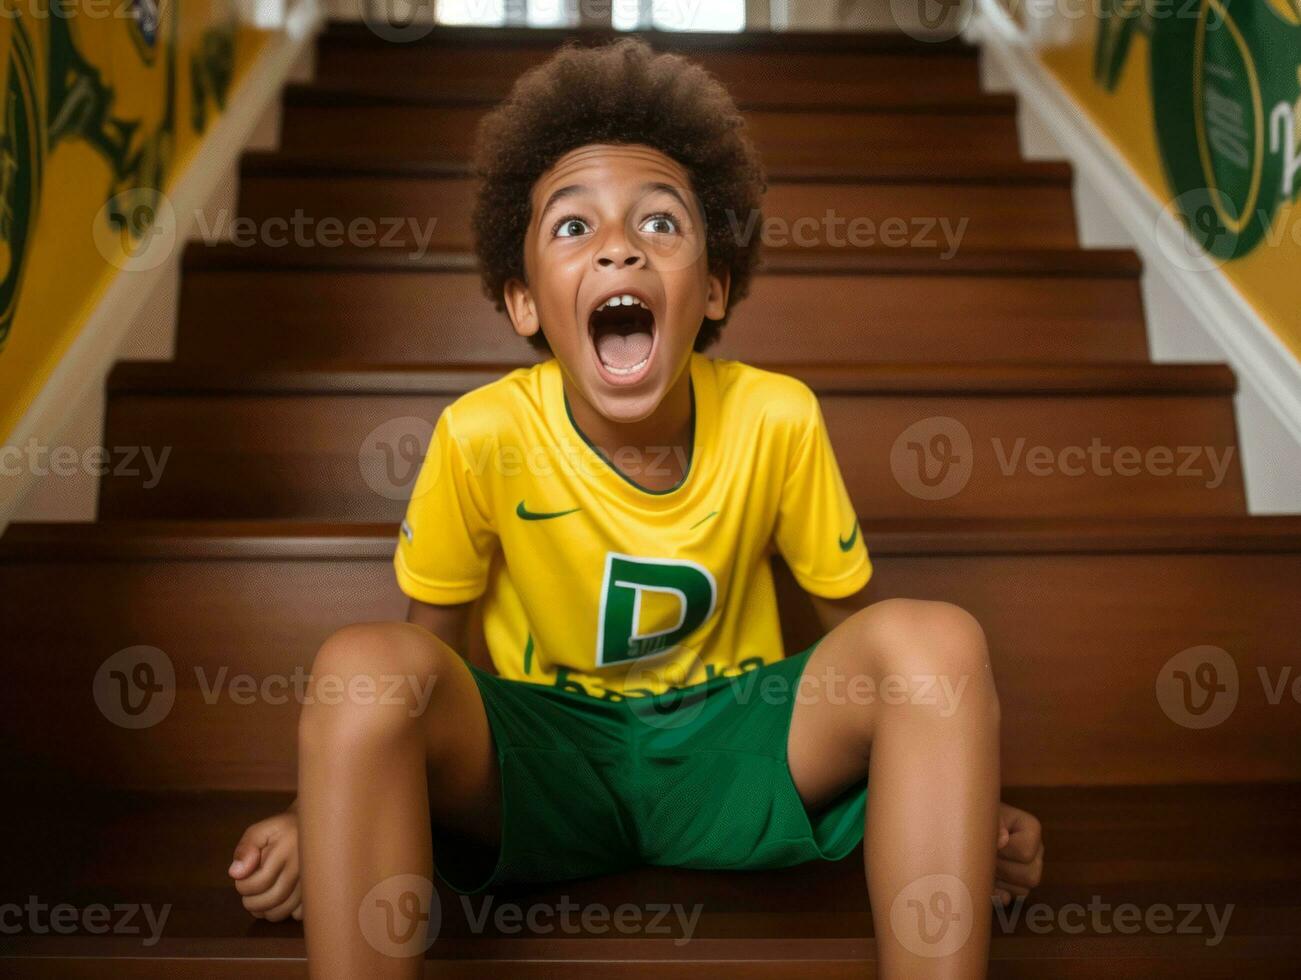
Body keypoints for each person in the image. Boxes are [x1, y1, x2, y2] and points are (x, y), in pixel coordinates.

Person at [228, 37, 1044, 978]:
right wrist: (320, 812)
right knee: (361, 666)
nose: (618, 243)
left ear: (715, 287)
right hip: (545, 761)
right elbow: (425, 657)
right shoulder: (478, 434)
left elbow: (869, 646)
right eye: (572, 228)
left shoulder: (776, 415)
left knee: (937, 639)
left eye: (661, 223)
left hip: (728, 750)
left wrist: (950, 789)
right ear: (524, 299)